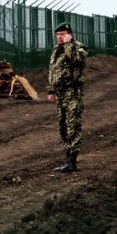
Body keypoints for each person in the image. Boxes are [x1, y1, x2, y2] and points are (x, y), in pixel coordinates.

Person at [47, 22, 88, 172]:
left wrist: (68, 44)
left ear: (69, 35)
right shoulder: (56, 50)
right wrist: (51, 90)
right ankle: (68, 160)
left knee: (73, 127)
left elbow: (76, 60)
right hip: (60, 95)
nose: (60, 37)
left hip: (72, 94)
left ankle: (72, 162)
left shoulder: (78, 48)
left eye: (63, 34)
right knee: (63, 128)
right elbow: (52, 70)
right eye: (58, 34)